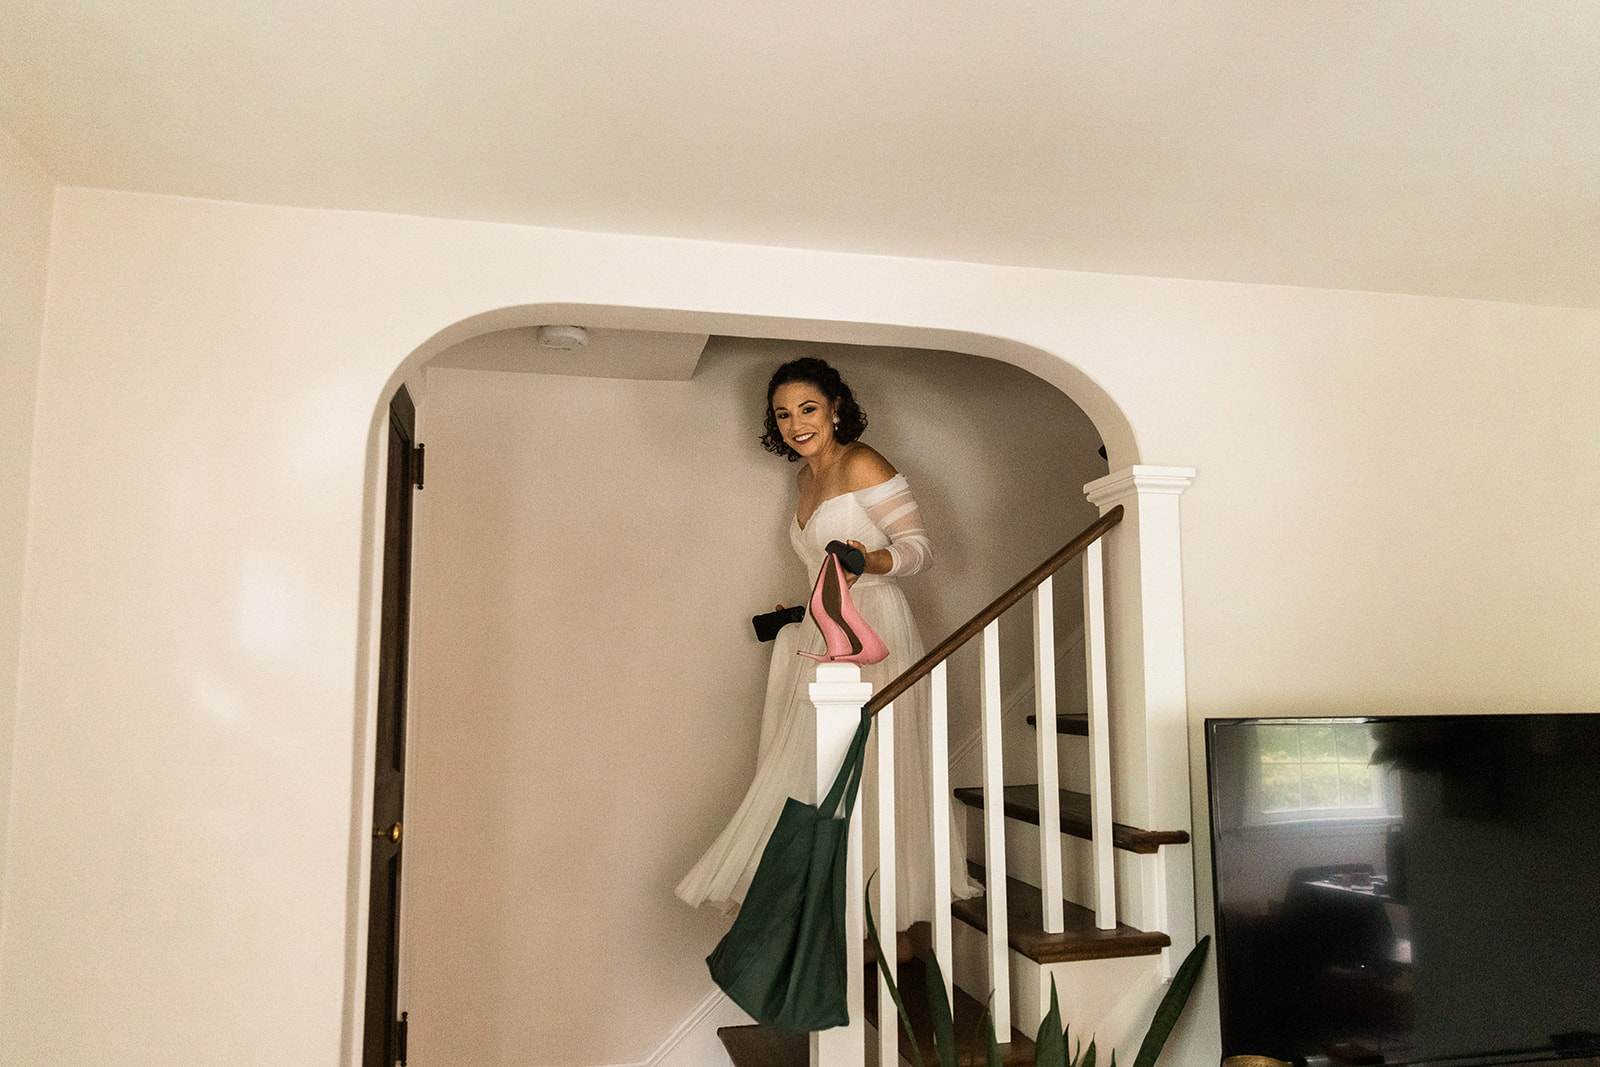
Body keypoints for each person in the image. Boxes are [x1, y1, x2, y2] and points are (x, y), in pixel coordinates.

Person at [675, 357, 977, 929]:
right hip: (823, 628)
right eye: (783, 415)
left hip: (873, 625)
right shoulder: (803, 478)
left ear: (836, 408)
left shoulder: (862, 461)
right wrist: (802, 611)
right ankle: (828, 903)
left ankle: (875, 906)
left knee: (864, 760)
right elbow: (820, 568)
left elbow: (919, 549)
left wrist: (869, 561)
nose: (796, 425)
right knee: (816, 763)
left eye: (807, 409)